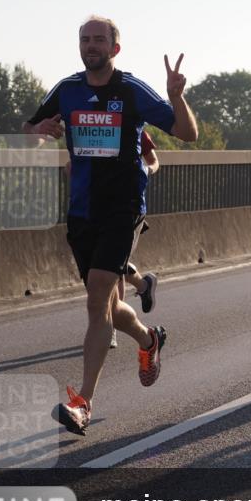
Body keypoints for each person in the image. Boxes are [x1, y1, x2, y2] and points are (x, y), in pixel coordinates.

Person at [24, 15, 198, 435]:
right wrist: (41, 131)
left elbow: (187, 132)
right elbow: (29, 131)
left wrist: (177, 97)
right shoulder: (67, 90)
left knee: (98, 296)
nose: (91, 46)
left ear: (114, 48)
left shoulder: (131, 89)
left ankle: (82, 402)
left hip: (123, 209)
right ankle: (148, 339)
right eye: (85, 39)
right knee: (104, 304)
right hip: (82, 211)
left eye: (99, 40)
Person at [110, 129, 160, 347]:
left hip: (129, 208)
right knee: (106, 263)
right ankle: (143, 284)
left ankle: (111, 325)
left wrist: (146, 171)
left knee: (113, 267)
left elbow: (154, 162)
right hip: (97, 207)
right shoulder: (94, 125)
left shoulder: (137, 129)